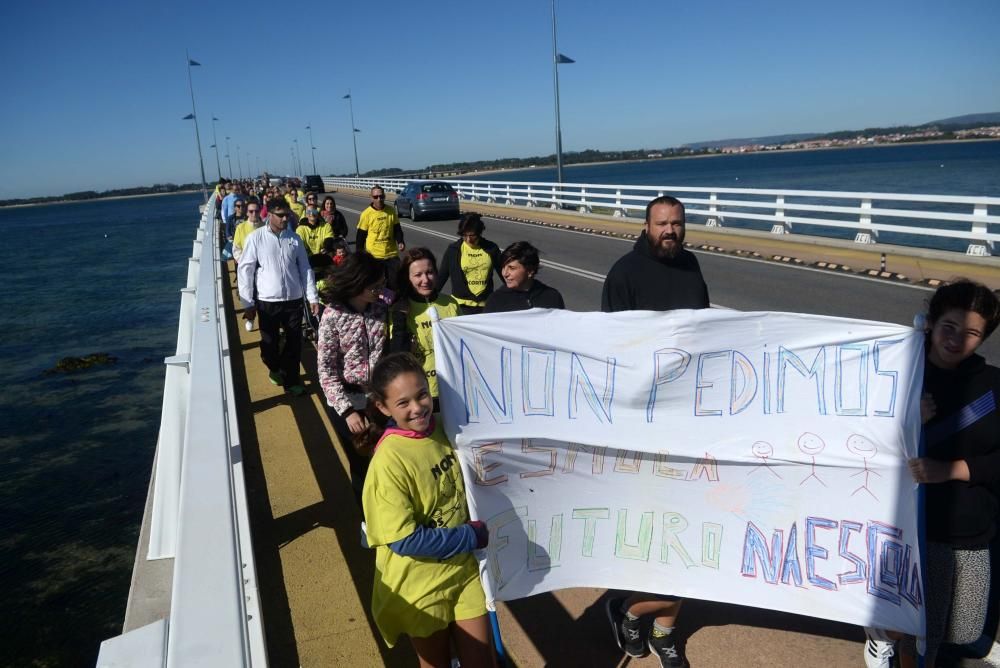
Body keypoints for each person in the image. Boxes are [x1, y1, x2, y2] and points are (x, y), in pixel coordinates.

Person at [864, 280, 1000, 668]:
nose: (957, 340)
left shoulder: (993, 385)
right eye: (949, 327)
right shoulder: (898, 374)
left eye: (972, 332)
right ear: (931, 324)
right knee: (924, 631)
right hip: (918, 528)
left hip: (974, 530)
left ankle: (889, 632)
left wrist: (952, 470)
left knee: (966, 632)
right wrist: (908, 420)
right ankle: (888, 638)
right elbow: (860, 439)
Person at [602, 195, 709, 668]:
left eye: (677, 223)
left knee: (688, 528)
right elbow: (609, 350)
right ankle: (629, 607)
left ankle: (660, 627)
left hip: (685, 421)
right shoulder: (623, 274)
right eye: (662, 223)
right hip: (643, 428)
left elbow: (705, 336)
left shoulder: (692, 267)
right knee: (656, 532)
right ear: (646, 226)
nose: (671, 230)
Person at [361, 352, 495, 667]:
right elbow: (404, 540)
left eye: (421, 394)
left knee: (481, 662)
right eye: (403, 403)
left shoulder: (444, 425)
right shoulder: (388, 464)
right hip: (421, 585)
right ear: (383, 408)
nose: (417, 407)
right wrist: (469, 536)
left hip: (463, 572)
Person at [237, 198, 320, 396]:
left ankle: (291, 381)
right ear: (270, 215)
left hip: (293, 301)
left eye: (287, 214)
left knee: (294, 343)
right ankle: (274, 368)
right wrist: (247, 303)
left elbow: (305, 268)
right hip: (267, 302)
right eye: (280, 215)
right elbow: (245, 270)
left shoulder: (294, 239)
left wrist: (312, 297)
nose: (285, 218)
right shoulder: (256, 238)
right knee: (269, 346)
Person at [316, 251, 390, 457]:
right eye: (374, 286)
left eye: (381, 284)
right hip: (348, 401)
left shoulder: (381, 308)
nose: (379, 290)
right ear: (358, 285)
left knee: (386, 458)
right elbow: (326, 371)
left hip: (378, 397)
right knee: (361, 462)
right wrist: (347, 411)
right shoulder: (332, 316)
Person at [388, 248, 462, 407]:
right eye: (417, 275)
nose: (425, 279)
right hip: (420, 394)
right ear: (407, 278)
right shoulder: (400, 309)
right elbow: (397, 355)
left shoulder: (450, 303)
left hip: (454, 389)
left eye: (429, 272)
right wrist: (400, 316)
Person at [437, 213, 502, 315]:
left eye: (472, 235)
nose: (468, 239)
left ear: (479, 232)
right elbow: (441, 278)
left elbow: (505, 275)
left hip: (486, 307)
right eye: (464, 235)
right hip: (460, 307)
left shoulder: (492, 249)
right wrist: (426, 301)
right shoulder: (453, 250)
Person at [484, 241, 565, 313]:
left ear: (530, 271)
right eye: (503, 267)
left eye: (512, 268)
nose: (505, 273)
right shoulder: (496, 301)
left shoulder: (552, 297)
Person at [356, 185, 405, 290]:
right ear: (371, 197)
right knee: (377, 286)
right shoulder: (366, 214)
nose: (379, 199)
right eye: (376, 197)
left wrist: (400, 241)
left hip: (391, 254)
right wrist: (359, 257)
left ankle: (394, 304)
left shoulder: (391, 211)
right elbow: (360, 237)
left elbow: (397, 229)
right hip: (374, 256)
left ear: (384, 196)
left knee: (396, 284)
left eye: (381, 196)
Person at [232, 199, 264, 263]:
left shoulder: (265, 227)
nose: (254, 214)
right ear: (247, 213)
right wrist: (243, 262)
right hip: (247, 263)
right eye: (251, 211)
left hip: (263, 263)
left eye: (256, 211)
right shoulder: (240, 227)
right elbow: (236, 249)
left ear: (260, 212)